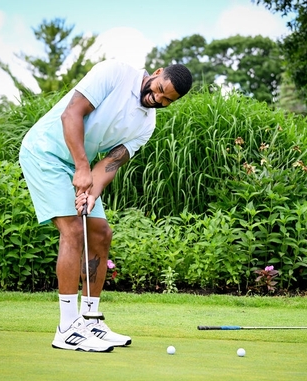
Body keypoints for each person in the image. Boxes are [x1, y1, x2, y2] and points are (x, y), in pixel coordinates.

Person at [19, 59, 193, 352]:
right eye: (160, 89)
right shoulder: (114, 73)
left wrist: (92, 191)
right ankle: (66, 327)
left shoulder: (146, 124)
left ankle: (89, 319)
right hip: (45, 153)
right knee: (74, 231)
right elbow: (71, 114)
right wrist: (81, 168)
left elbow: (111, 163)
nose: (158, 99)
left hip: (79, 165)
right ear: (158, 72)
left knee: (100, 233)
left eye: (166, 100)